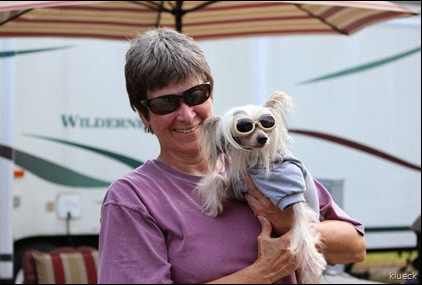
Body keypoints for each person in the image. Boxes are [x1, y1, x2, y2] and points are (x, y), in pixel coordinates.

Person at [98, 27, 366, 284]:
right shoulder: (133, 198)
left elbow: (355, 246)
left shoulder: (255, 159)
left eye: (195, 95)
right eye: (165, 103)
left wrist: (289, 225)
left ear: (210, 94)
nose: (186, 114)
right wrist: (261, 273)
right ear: (144, 115)